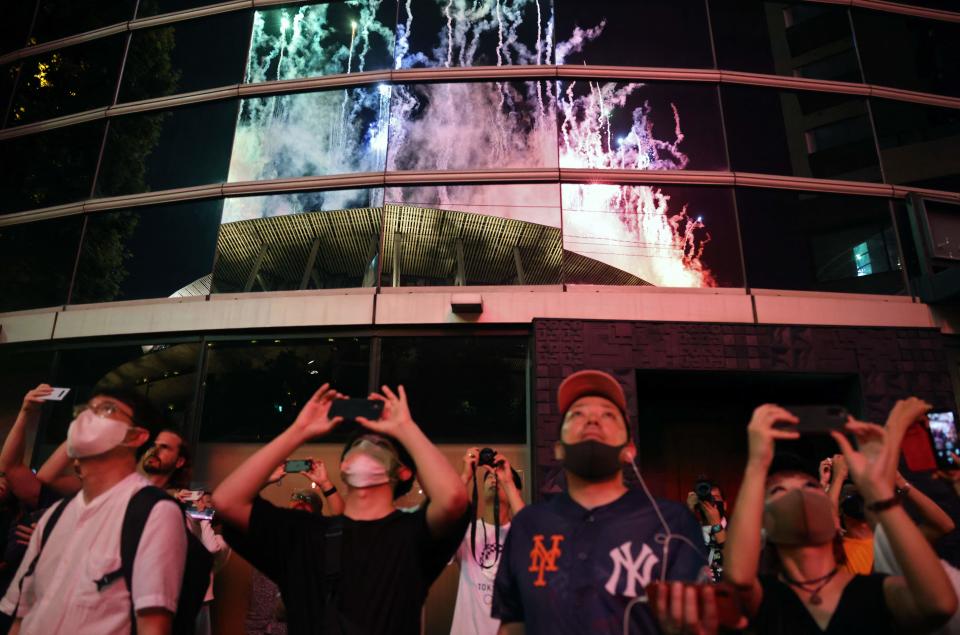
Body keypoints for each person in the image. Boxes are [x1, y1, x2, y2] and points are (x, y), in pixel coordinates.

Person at [213, 383, 469, 635]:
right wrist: (299, 430)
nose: (367, 444)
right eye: (357, 444)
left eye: (380, 445)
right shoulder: (303, 533)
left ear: (402, 472)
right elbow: (226, 500)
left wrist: (405, 429)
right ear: (344, 466)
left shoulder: (412, 535)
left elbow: (453, 499)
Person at [492, 369, 707, 634]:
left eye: (608, 414)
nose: (592, 419)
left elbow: (699, 622)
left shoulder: (674, 523)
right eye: (577, 414)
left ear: (629, 449)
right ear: (558, 448)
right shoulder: (528, 524)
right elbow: (513, 623)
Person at [723, 403, 957, 634]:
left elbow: (939, 605)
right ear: (765, 526)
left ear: (834, 519)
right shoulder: (764, 596)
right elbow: (738, 579)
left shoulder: (877, 590)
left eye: (809, 486)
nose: (799, 494)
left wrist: (879, 491)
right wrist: (757, 463)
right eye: (779, 491)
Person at [0, 390, 188, 635]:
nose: (88, 417)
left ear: (136, 436)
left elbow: (152, 626)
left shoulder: (154, 512)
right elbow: (21, 616)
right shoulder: (54, 516)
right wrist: (27, 412)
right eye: (86, 410)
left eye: (107, 409)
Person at [450, 447, 525, 635]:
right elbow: (444, 512)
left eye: (498, 476)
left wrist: (506, 479)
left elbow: (534, 530)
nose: (493, 478)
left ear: (515, 490)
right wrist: (466, 475)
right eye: (488, 477)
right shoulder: (466, 531)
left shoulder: (523, 534)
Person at [686, 480, 727, 583]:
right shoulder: (691, 532)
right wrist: (688, 512)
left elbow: (736, 564)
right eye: (706, 499)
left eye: (715, 498)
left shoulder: (735, 530)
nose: (710, 502)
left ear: (725, 505)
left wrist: (716, 526)